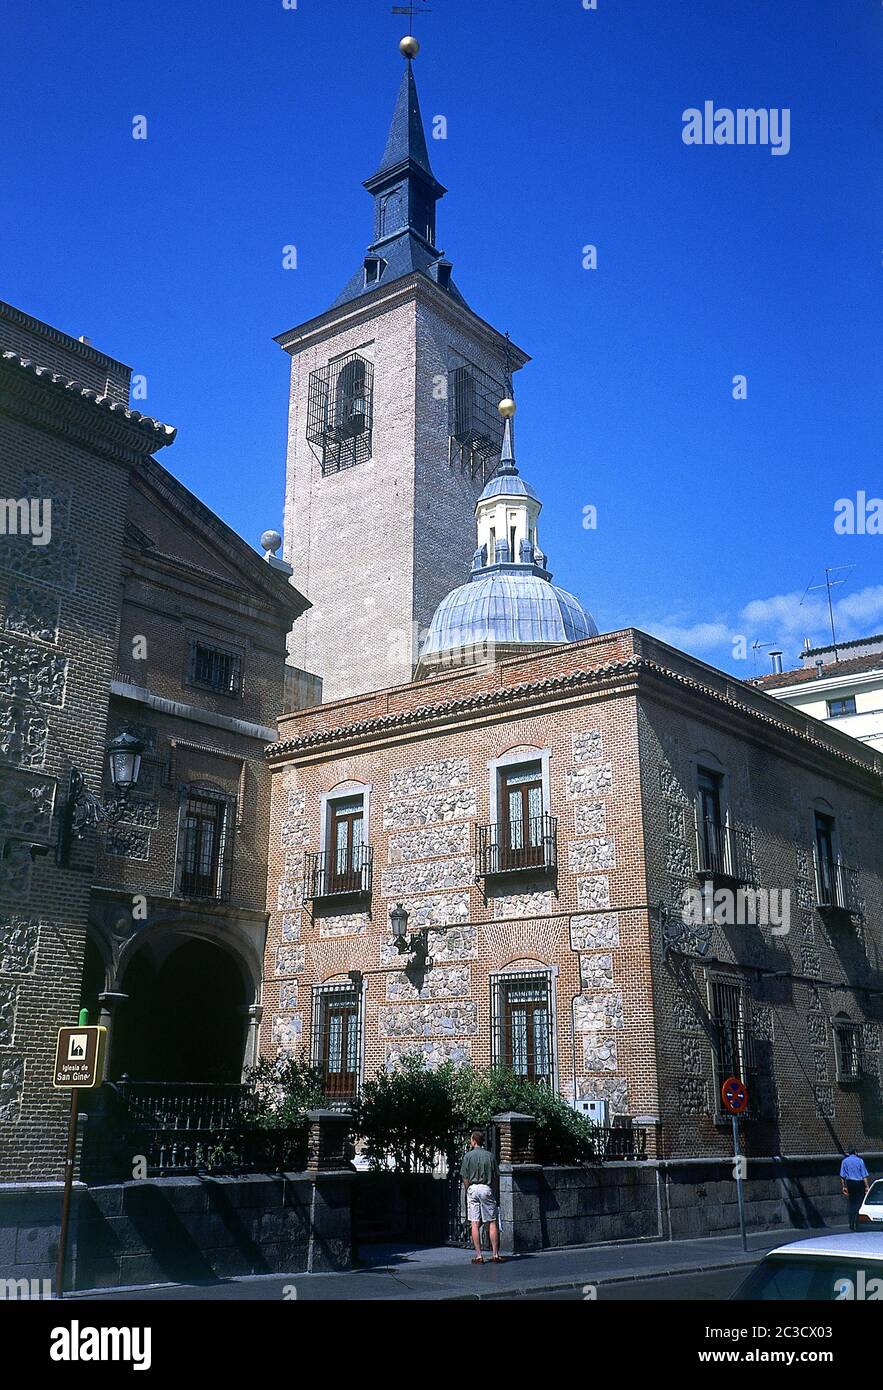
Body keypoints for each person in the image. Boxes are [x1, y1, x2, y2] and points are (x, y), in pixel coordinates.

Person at [461, 1129, 502, 1264]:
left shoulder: (468, 1156)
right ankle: (495, 1254)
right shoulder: (490, 1156)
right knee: (492, 1222)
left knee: (474, 1222)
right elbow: (496, 1176)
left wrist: (468, 1190)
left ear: (474, 1141)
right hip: (486, 1188)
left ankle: (479, 1255)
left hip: (473, 1188)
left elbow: (465, 1177)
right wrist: (493, 1190)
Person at [840, 1144, 871, 1231]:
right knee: (859, 1203)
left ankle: (851, 1223)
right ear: (855, 1152)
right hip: (859, 1183)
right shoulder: (860, 1161)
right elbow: (864, 1176)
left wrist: (844, 1186)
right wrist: (867, 1186)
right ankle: (857, 1224)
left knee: (852, 1203)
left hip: (850, 1183)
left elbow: (842, 1176)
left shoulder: (845, 1161)